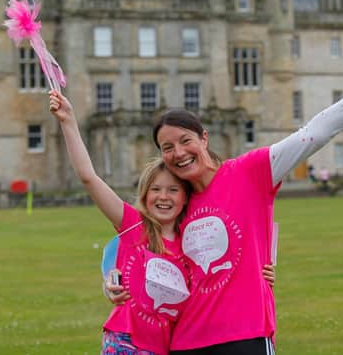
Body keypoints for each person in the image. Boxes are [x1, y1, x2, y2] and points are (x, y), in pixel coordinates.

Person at [108, 34, 343, 354]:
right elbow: (140, 254)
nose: (179, 152)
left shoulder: (249, 172)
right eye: (167, 147)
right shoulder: (177, 202)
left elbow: (313, 134)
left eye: (185, 140)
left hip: (246, 335)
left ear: (204, 138)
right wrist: (113, 280)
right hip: (186, 342)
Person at [49, 91, 275, 355]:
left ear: (186, 197)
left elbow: (218, 278)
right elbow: (89, 177)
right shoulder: (134, 226)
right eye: (156, 189)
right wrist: (68, 121)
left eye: (173, 190)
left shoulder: (190, 243)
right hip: (126, 341)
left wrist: (263, 273)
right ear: (145, 195)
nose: (164, 197)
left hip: (166, 346)